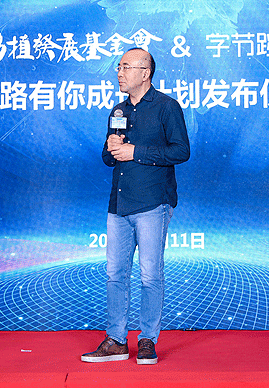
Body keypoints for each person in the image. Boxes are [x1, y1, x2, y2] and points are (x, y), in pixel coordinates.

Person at [81, 48, 190, 365]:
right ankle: (116, 340)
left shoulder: (167, 107)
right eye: (119, 67)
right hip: (119, 204)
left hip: (153, 202)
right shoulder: (118, 110)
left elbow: (181, 151)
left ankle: (147, 340)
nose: (119, 73)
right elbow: (108, 157)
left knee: (150, 275)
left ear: (145, 73)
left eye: (126, 67)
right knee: (115, 275)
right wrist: (112, 148)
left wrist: (135, 151)